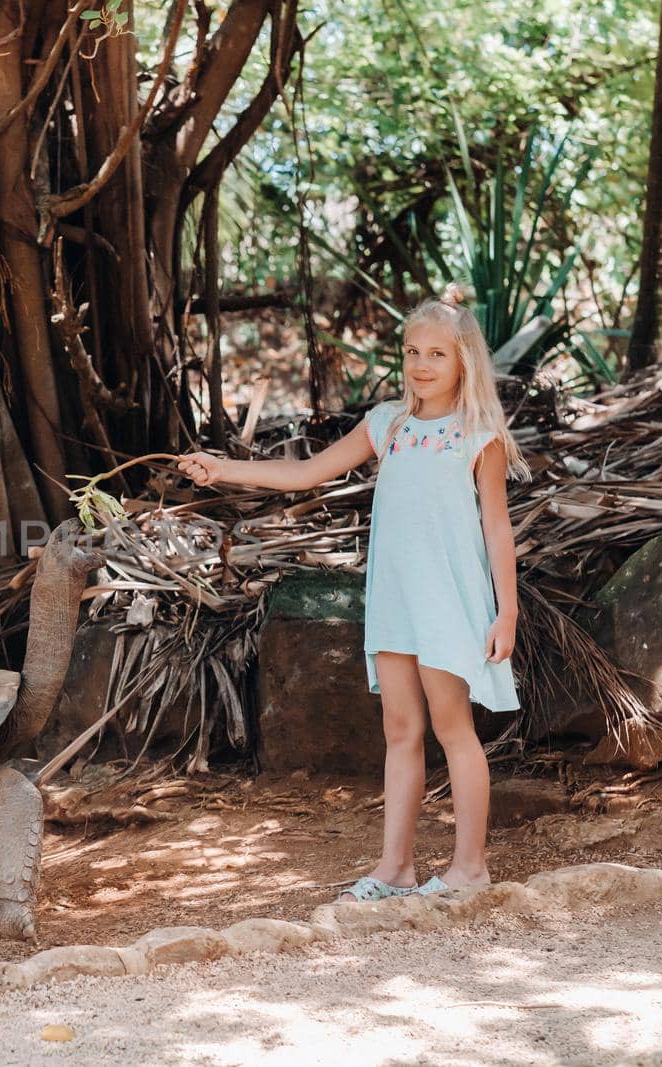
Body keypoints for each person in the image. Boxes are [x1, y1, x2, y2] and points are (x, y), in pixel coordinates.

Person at [177, 283, 531, 901]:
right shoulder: (387, 424)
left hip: (449, 601)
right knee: (400, 727)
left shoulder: (479, 436)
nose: (421, 365)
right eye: (413, 351)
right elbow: (305, 472)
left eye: (437, 355)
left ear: (464, 362)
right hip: (394, 599)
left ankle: (470, 868)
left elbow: (497, 527)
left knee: (454, 728)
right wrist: (224, 467)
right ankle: (395, 867)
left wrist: (508, 611)